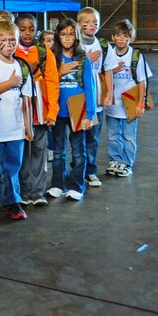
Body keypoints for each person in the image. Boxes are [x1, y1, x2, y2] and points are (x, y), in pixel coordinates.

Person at [0, 21, 33, 221]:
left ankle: (13, 201)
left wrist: (28, 127)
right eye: (4, 40)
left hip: (15, 129)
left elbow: (26, 99)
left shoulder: (22, 67)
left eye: (13, 40)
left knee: (13, 167)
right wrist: (10, 83)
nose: (9, 44)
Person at [47, 18, 96, 202]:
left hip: (78, 111)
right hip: (58, 111)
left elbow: (90, 89)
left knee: (78, 151)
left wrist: (89, 115)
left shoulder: (83, 60)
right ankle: (58, 185)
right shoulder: (52, 58)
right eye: (63, 34)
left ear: (76, 35)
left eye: (70, 34)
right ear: (58, 36)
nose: (67, 38)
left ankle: (76, 186)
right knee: (58, 151)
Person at [14, 13, 59, 206]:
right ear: (16, 29)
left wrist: (52, 112)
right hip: (17, 112)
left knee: (39, 151)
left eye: (31, 29)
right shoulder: (11, 50)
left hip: (40, 111)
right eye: (22, 29)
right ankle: (23, 192)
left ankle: (38, 191)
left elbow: (52, 82)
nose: (27, 33)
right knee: (21, 153)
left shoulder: (44, 52)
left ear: (37, 30)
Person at [104, 19, 153, 177]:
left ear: (131, 38)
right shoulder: (109, 54)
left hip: (130, 105)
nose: (121, 39)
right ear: (113, 37)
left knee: (129, 137)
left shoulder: (135, 55)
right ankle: (115, 160)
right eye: (118, 35)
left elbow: (142, 81)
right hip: (112, 105)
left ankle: (126, 163)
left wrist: (140, 104)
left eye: (125, 36)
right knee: (113, 136)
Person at [77, 7, 115, 187]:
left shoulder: (104, 45)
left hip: (97, 100)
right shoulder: (75, 43)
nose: (92, 25)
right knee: (77, 139)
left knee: (93, 138)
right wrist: (86, 60)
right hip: (78, 100)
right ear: (79, 24)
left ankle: (90, 171)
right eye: (87, 22)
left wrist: (109, 93)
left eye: (95, 22)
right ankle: (77, 171)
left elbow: (108, 70)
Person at [37, 29, 56, 162]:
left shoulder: (58, 56)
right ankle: (49, 149)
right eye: (48, 41)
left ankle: (52, 148)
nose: (51, 43)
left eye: (53, 40)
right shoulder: (41, 57)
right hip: (43, 99)